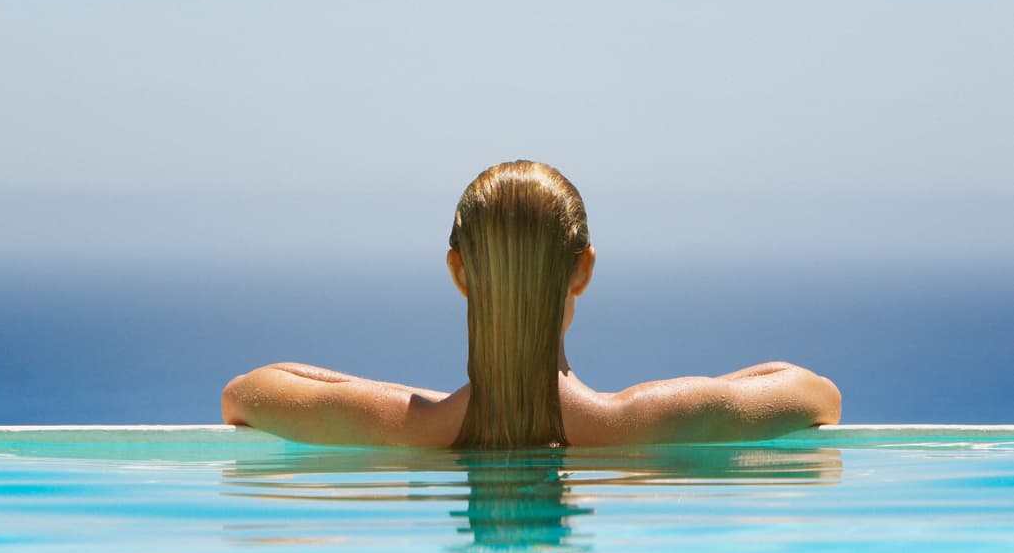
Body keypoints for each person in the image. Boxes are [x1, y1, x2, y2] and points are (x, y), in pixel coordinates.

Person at [221, 160, 841, 448]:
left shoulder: (408, 429)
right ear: (583, 270)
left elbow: (247, 394)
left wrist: (379, 395)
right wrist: (697, 393)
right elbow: (817, 395)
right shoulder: (645, 423)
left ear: (457, 272)